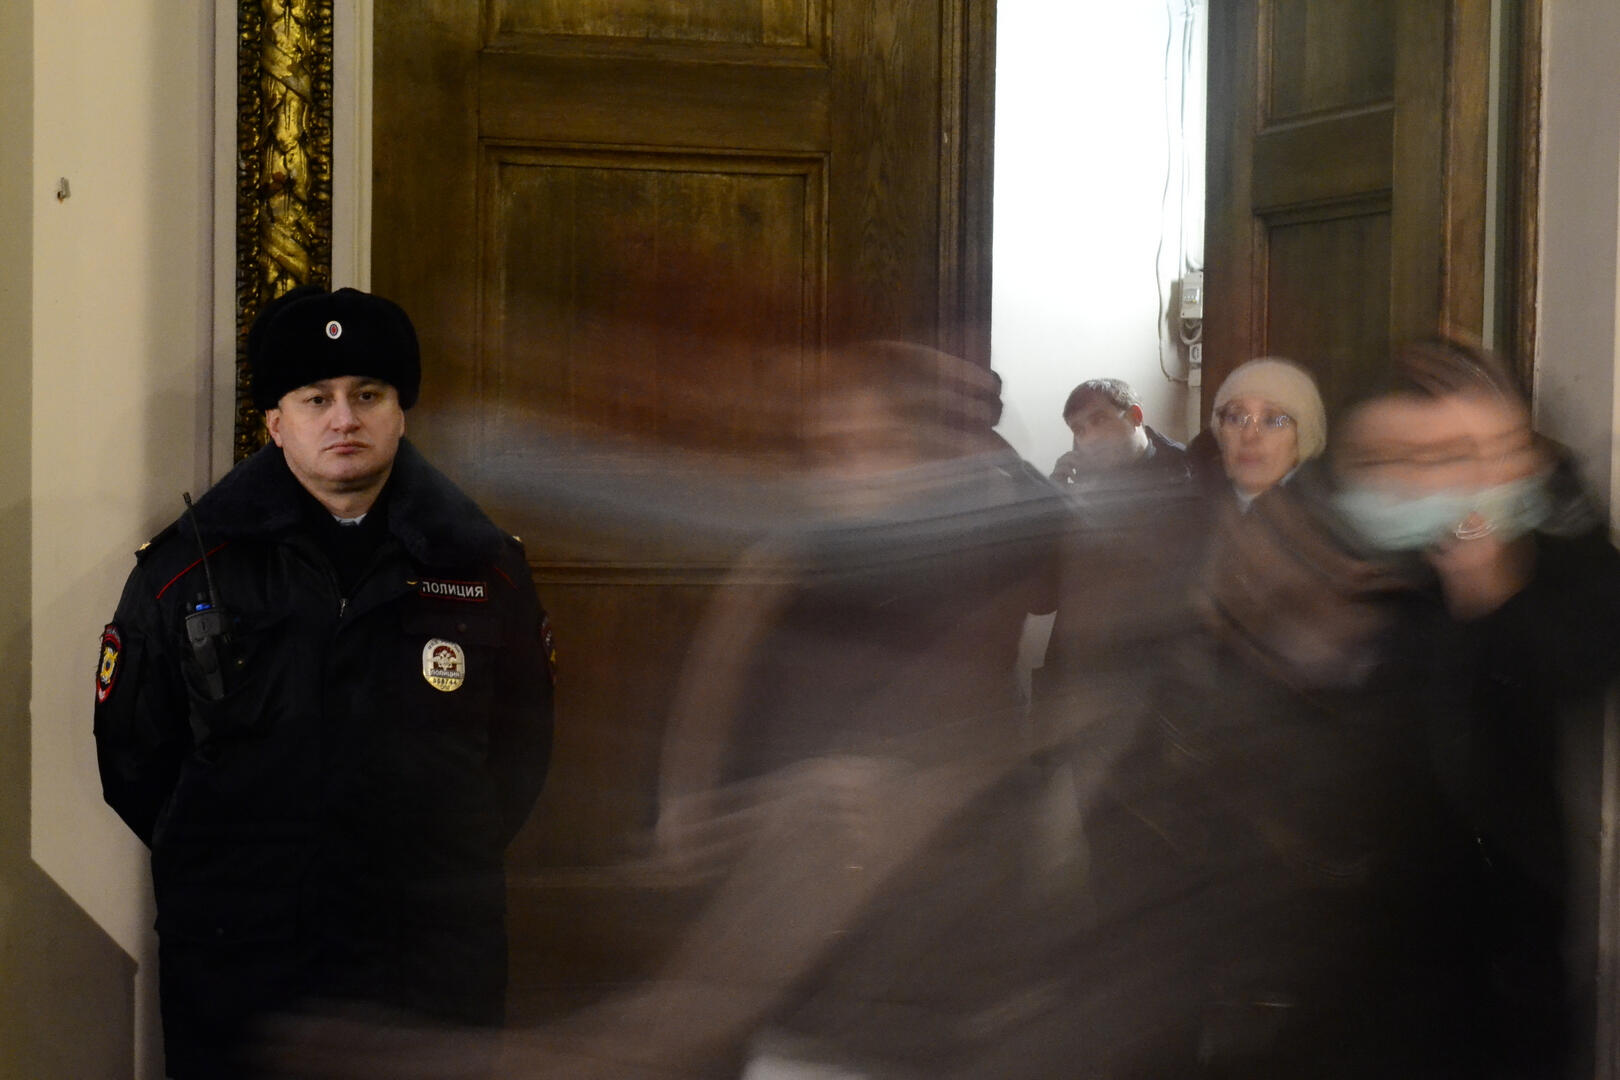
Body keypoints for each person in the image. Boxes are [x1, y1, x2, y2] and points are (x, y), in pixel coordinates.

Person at [93, 285, 555, 1078]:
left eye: (367, 395)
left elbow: (521, 755)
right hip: (242, 961)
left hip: (429, 959)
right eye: (317, 398)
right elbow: (135, 761)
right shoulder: (184, 570)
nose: (345, 418)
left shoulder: (484, 567)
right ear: (275, 423)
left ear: (401, 412)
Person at [1189, 357, 1327, 506]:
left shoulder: (1321, 525)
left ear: (1302, 438)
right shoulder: (1183, 515)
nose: (1249, 436)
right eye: (1235, 418)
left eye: (1271, 421)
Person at [1049, 378, 1188, 491]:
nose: (1090, 439)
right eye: (1079, 430)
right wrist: (1056, 496)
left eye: (1100, 420)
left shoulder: (1185, 469)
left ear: (1135, 416)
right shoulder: (1084, 473)